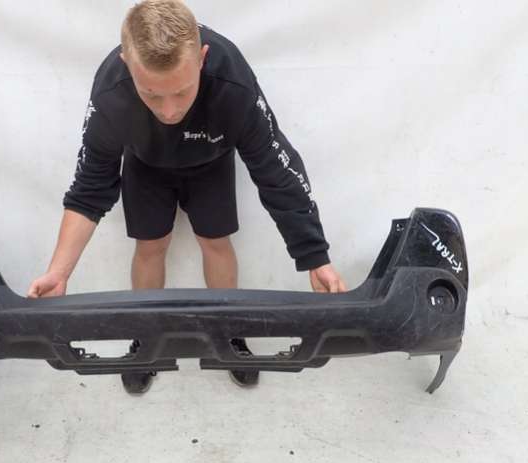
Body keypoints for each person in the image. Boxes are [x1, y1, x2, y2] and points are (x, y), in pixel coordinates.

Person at [27, 0, 347, 394]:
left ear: (202, 59)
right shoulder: (111, 90)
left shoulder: (232, 82)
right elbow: (90, 187)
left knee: (215, 242)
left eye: (181, 92)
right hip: (145, 164)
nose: (169, 111)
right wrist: (58, 272)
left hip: (210, 161)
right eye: (152, 94)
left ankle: (229, 332)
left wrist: (316, 258)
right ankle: (146, 337)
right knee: (150, 246)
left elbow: (276, 171)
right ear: (127, 65)